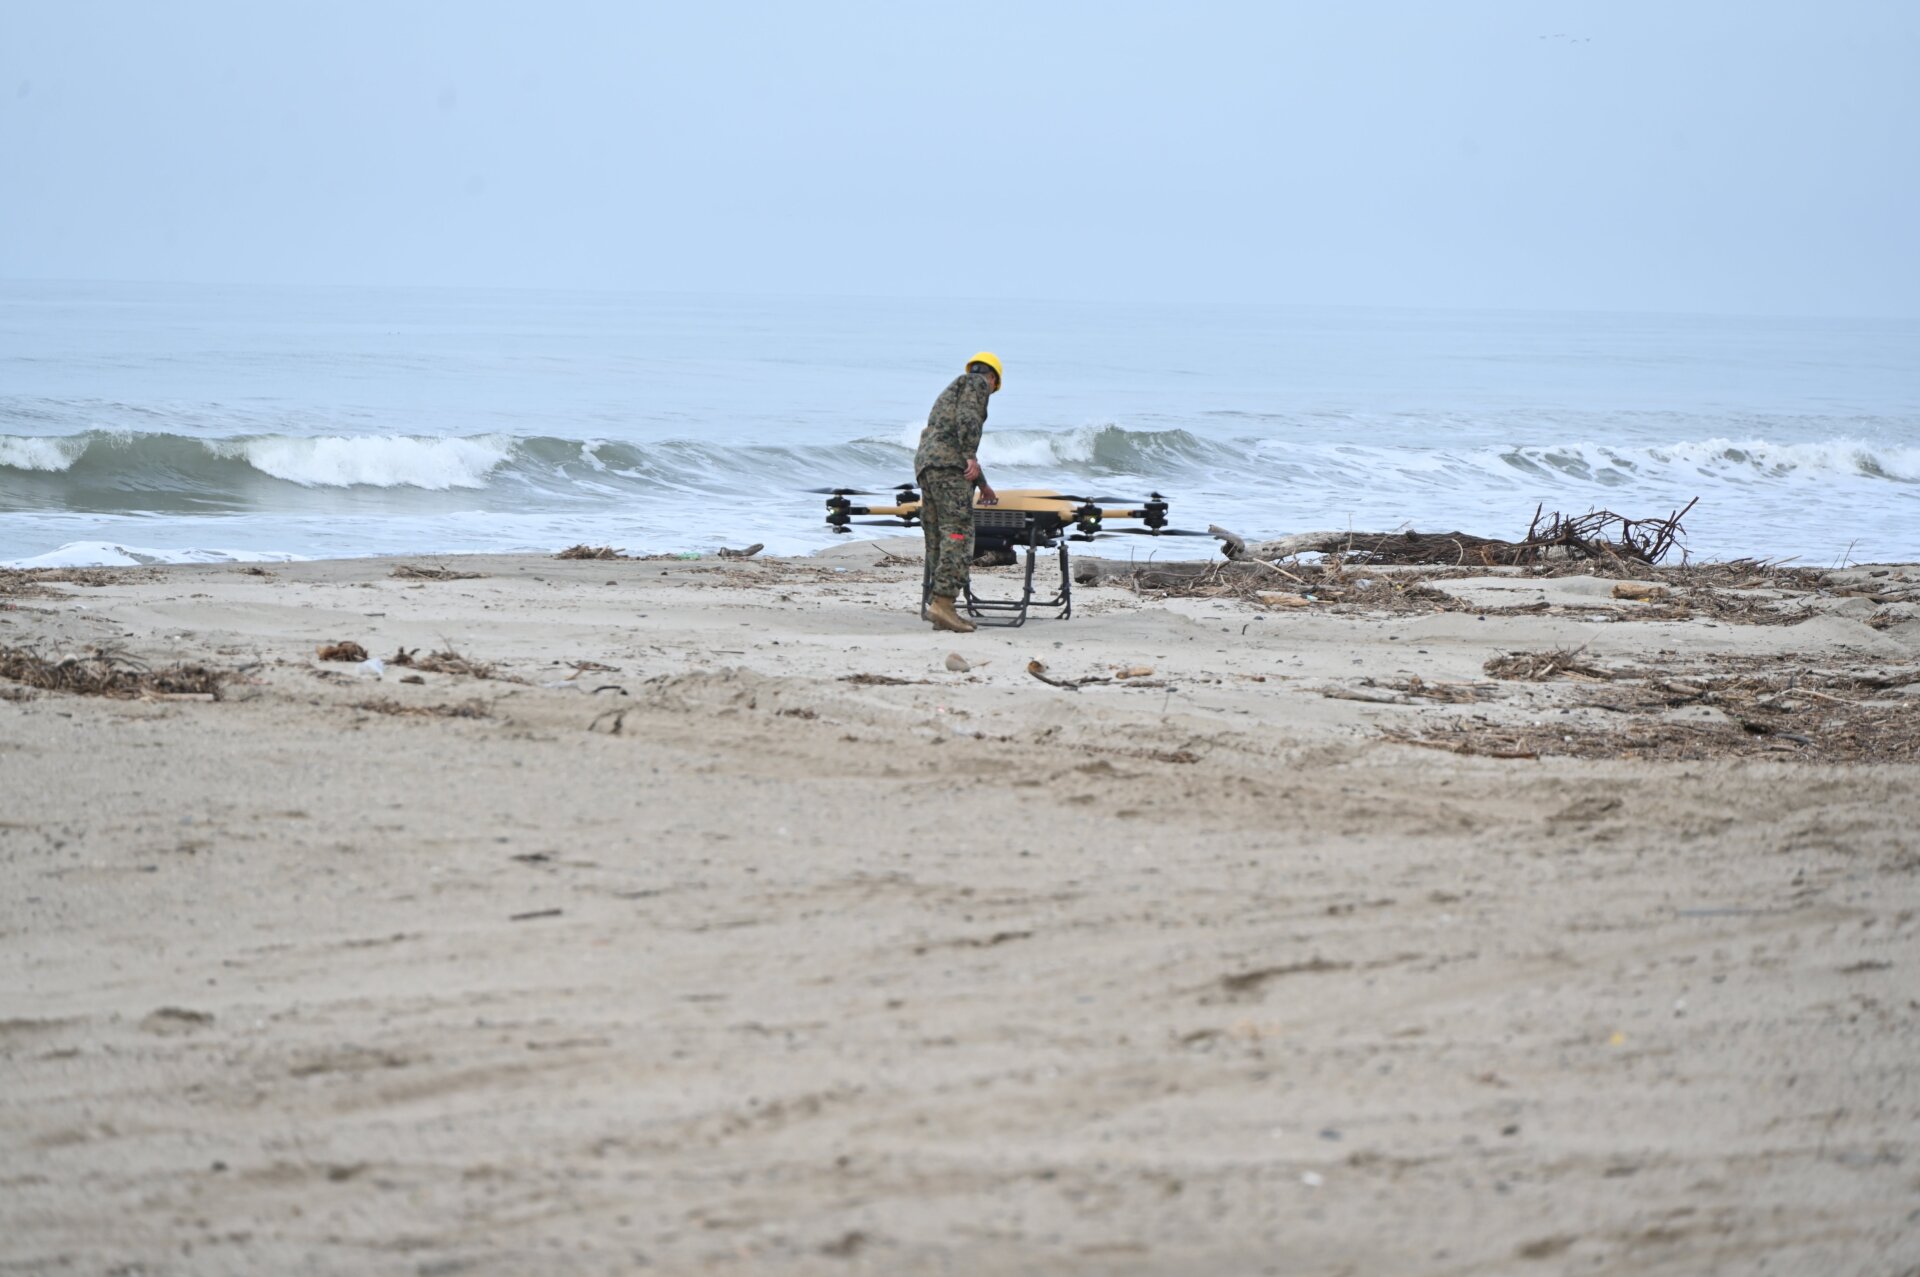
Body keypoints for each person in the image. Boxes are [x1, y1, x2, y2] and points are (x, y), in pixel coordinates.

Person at [914, 352, 1002, 633]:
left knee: (937, 535)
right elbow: (968, 420)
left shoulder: (952, 389)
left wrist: (983, 485)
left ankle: (940, 606)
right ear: (992, 378)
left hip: (928, 466)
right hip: (949, 468)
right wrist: (970, 454)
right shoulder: (977, 384)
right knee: (958, 533)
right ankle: (943, 602)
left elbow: (949, 438)